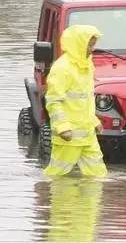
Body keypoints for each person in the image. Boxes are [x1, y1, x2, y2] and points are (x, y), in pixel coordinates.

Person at [43, 25, 108, 177]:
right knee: (58, 175)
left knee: (98, 176)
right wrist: (63, 127)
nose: (92, 49)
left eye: (93, 45)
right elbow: (54, 101)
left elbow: (84, 100)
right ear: (79, 44)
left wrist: (94, 121)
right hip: (69, 136)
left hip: (87, 135)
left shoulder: (86, 65)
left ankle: (92, 201)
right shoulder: (62, 68)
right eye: (89, 45)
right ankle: (59, 200)